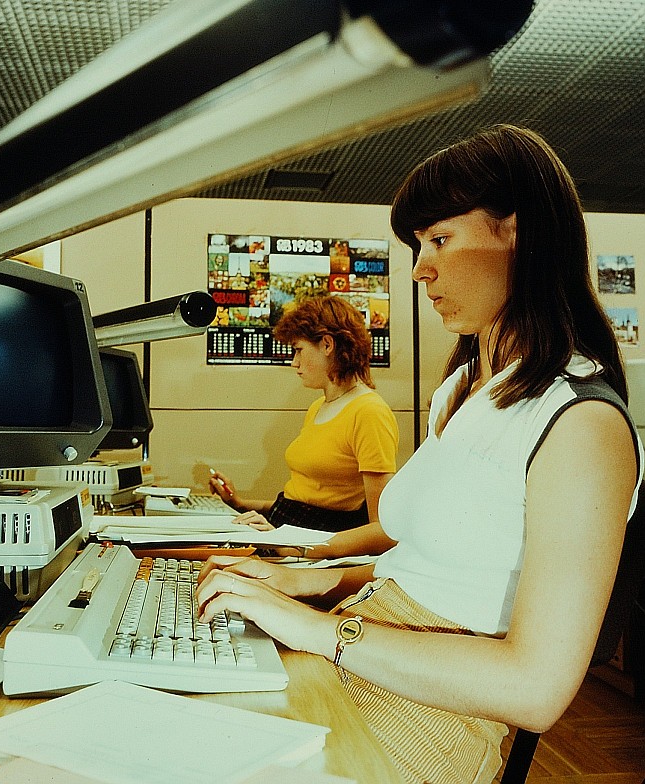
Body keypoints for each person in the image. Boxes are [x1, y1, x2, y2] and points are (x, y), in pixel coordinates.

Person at [196, 125, 643, 784]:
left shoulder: (581, 423)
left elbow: (534, 690)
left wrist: (317, 628)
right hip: (369, 650)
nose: (418, 269)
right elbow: (431, 568)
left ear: (518, 232)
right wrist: (311, 579)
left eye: (439, 239)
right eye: (416, 245)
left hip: (435, 712)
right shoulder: (464, 389)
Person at [208, 295, 399, 539]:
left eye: (298, 350)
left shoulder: (369, 412)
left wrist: (286, 541)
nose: (294, 362)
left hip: (307, 546)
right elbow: (299, 503)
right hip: (285, 532)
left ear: (327, 345)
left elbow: (381, 531)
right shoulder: (319, 406)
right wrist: (240, 503)